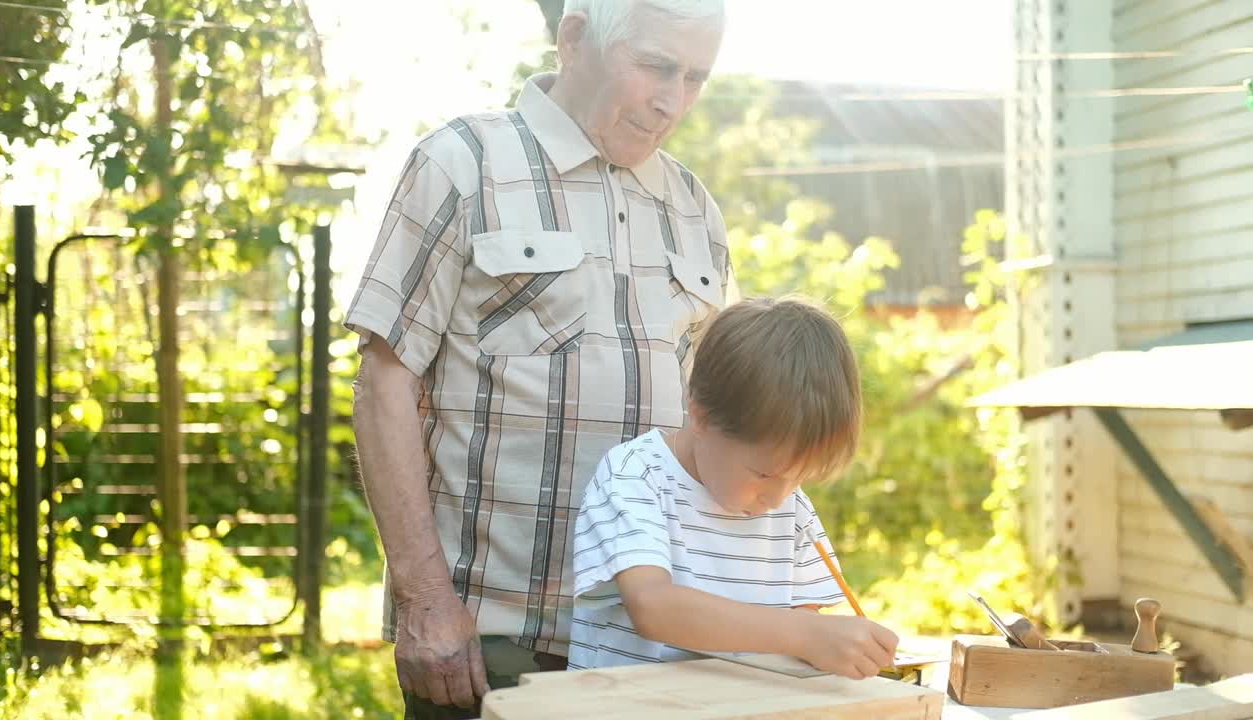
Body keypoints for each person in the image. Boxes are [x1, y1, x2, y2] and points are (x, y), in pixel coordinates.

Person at [344, 0, 733, 717]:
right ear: (574, 37)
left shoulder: (692, 206)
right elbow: (383, 384)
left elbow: (716, 431)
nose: (671, 102)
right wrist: (426, 600)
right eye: (654, 66)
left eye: (695, 77)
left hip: (650, 644)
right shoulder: (463, 163)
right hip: (492, 641)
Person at [567, 297, 900, 678]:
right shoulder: (636, 476)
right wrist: (806, 635)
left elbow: (801, 636)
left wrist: (837, 648)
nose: (778, 499)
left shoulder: (792, 505)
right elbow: (653, 607)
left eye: (798, 477)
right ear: (702, 417)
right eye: (763, 474)